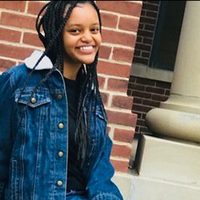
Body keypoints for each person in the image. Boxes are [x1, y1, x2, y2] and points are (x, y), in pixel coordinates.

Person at [0, 1, 123, 200]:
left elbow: (99, 169)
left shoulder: (91, 99)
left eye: (94, 29)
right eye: (75, 31)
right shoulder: (20, 81)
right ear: (56, 33)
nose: (88, 38)